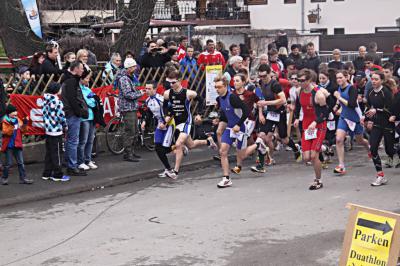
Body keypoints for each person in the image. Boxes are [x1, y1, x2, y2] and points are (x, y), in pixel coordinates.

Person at [213, 74, 267, 188]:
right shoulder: (219, 99)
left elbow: (246, 111)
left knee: (241, 156)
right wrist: (218, 119)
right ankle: (226, 178)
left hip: (240, 128)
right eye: (215, 87)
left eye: (219, 87)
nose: (217, 89)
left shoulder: (232, 97)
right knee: (223, 151)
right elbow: (224, 113)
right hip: (229, 128)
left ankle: (258, 144)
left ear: (225, 86)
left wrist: (238, 124)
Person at [163, 68, 217, 178]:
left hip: (186, 122)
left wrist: (198, 114)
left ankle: (175, 171)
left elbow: (201, 100)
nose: (171, 85)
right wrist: (167, 116)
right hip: (177, 123)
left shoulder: (188, 93)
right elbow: (165, 106)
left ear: (179, 80)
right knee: (191, 145)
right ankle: (208, 141)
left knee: (178, 144)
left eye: (173, 82)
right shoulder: (167, 93)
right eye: (170, 82)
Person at [252, 64, 302, 172]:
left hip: (280, 112)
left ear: (270, 73)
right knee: (261, 136)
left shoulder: (275, 85)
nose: (262, 79)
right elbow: (261, 99)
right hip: (269, 113)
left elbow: (283, 100)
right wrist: (260, 113)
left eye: (264, 76)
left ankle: (295, 148)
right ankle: (261, 165)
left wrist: (266, 103)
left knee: (284, 138)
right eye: (260, 76)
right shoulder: (261, 83)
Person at [294, 69, 330, 190]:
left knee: (314, 156)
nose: (300, 82)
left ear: (309, 80)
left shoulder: (318, 94)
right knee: (306, 158)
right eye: (298, 80)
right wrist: (296, 118)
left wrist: (315, 122)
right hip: (306, 125)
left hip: (319, 125)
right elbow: (298, 106)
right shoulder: (299, 91)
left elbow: (325, 112)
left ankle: (318, 180)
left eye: (302, 80)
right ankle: (324, 148)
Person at [333, 71, 370, 175]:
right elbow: (339, 100)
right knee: (339, 139)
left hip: (355, 119)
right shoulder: (339, 88)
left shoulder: (352, 88)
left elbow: (352, 104)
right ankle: (341, 166)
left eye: (340, 77)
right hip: (344, 117)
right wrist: (336, 106)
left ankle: (369, 149)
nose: (339, 80)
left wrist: (339, 98)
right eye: (337, 78)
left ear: (346, 77)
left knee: (360, 140)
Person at [363, 72, 397, 186]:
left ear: (381, 81)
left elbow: (390, 109)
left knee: (390, 150)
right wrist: (366, 118)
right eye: (372, 79)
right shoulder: (371, 93)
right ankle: (380, 175)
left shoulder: (386, 92)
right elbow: (368, 107)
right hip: (377, 125)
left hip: (388, 124)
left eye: (376, 79)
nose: (373, 81)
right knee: (373, 149)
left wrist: (377, 110)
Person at [142, 80, 176, 179]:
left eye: (149, 89)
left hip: (169, 124)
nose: (147, 91)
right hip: (159, 126)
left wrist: (165, 122)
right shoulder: (148, 100)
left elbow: (172, 110)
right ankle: (168, 169)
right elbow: (149, 113)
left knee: (165, 149)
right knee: (158, 147)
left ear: (155, 89)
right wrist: (145, 121)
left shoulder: (161, 99)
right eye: (146, 89)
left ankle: (179, 146)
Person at [61, 61, 88, 176]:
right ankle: (72, 166)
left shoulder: (69, 79)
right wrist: (79, 112)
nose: (83, 71)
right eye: (81, 68)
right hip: (72, 114)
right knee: (73, 140)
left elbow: (86, 72)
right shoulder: (71, 81)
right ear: (75, 69)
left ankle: (70, 164)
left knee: (70, 140)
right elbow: (72, 99)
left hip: (70, 113)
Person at [115, 58, 144, 162]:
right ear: (129, 68)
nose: (135, 68)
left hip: (132, 107)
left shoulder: (129, 77)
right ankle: (128, 153)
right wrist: (140, 93)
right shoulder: (124, 79)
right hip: (127, 108)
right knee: (130, 131)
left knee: (135, 130)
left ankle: (131, 151)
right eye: (133, 67)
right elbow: (128, 95)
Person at [42, 83, 70, 182]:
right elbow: (61, 116)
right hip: (56, 130)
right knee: (57, 153)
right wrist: (65, 126)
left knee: (49, 153)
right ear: (56, 90)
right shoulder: (57, 101)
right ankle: (57, 174)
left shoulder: (45, 99)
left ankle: (47, 173)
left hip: (48, 129)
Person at [1, 105, 33, 185]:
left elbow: (23, 130)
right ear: (9, 113)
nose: (16, 113)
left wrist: (25, 124)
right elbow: (6, 132)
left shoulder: (17, 120)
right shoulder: (5, 121)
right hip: (9, 145)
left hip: (17, 144)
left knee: (21, 163)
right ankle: (4, 178)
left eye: (16, 111)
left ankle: (23, 178)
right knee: (8, 164)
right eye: (14, 111)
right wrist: (11, 126)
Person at [77, 71, 98, 171]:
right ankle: (80, 161)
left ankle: (88, 160)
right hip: (84, 118)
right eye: (86, 78)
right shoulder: (78, 90)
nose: (88, 80)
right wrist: (92, 101)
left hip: (92, 117)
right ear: (81, 79)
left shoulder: (87, 89)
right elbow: (87, 101)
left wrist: (92, 101)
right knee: (83, 141)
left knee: (90, 140)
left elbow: (95, 101)